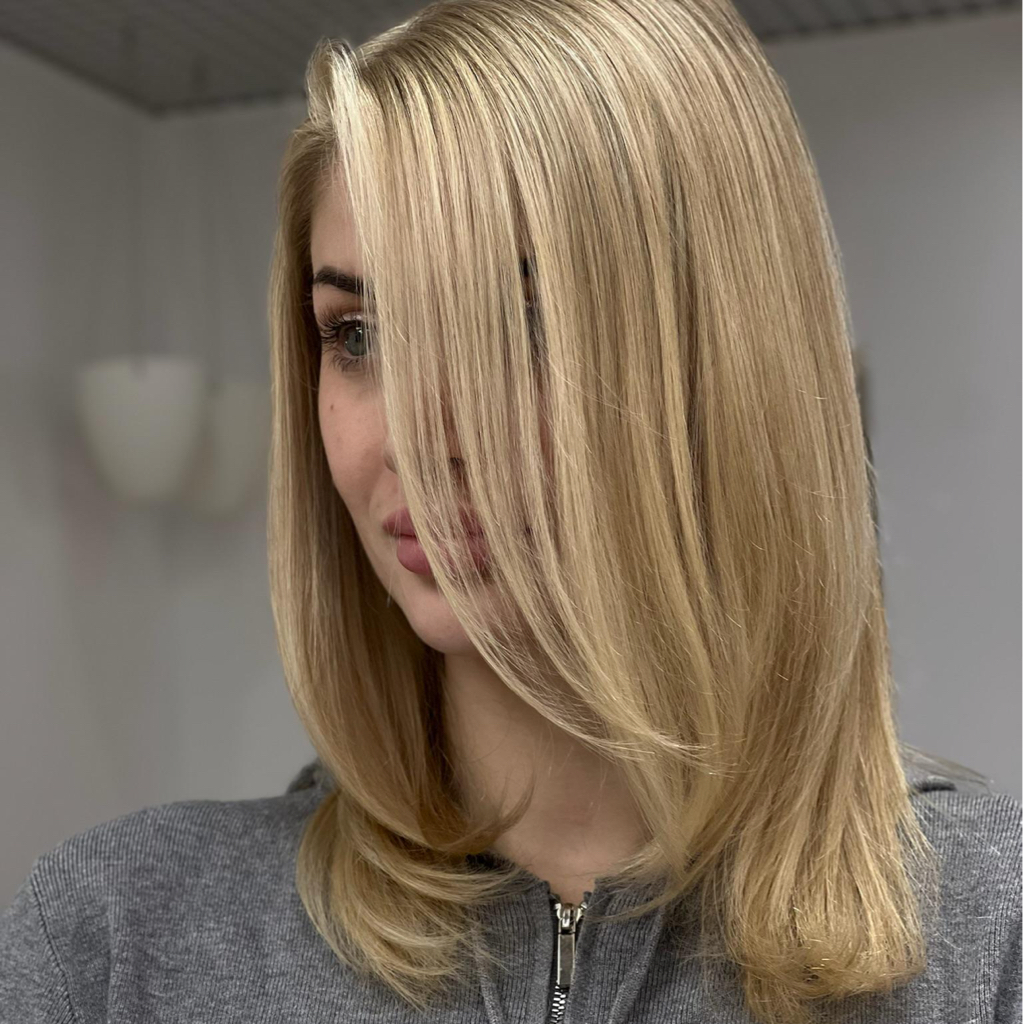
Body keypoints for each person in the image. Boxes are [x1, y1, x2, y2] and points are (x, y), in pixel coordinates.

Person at [2, 1, 1020, 1022]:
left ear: (722, 365)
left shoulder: (990, 941)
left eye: (518, 322)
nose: (411, 436)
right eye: (357, 334)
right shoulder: (117, 946)